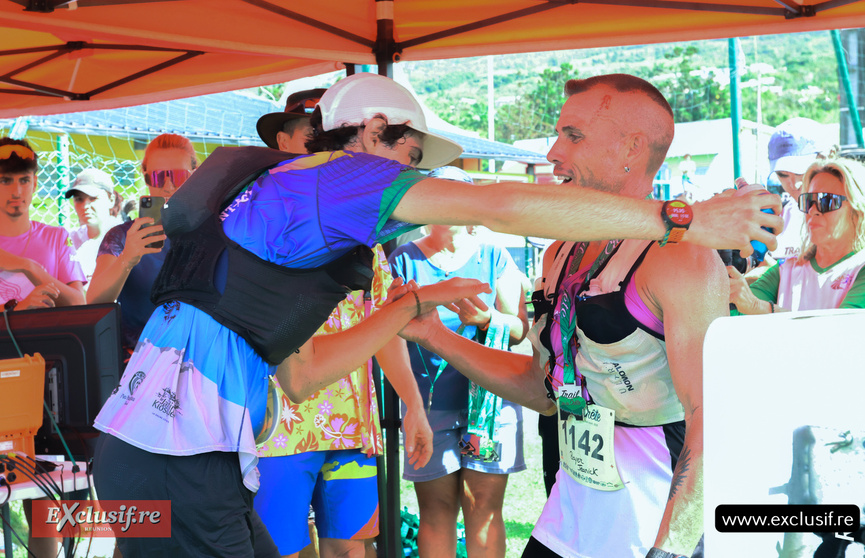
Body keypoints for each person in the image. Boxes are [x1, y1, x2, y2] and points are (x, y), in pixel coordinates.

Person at [90, 72, 780, 557]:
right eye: (410, 158)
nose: (413, 180)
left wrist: (416, 313)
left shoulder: (279, 204)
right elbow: (498, 205)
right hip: (180, 457)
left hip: (141, 453)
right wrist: (683, 217)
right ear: (371, 131)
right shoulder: (344, 180)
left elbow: (303, 376)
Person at [400, 74, 729, 558]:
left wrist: (671, 548)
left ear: (632, 148)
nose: (553, 153)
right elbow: (544, 390)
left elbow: (713, 421)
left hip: (651, 530)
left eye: (573, 136)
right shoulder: (560, 253)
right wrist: (433, 334)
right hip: (568, 519)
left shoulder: (681, 257)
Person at [253, 88, 433, 558]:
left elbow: (383, 325)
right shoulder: (266, 217)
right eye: (309, 134)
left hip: (353, 427)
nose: (319, 145)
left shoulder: (367, 234)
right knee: (281, 551)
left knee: (353, 550)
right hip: (279, 430)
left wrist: (413, 403)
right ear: (286, 142)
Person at [389, 166, 528, 558]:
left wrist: (487, 319)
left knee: (484, 509)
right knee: (436, 511)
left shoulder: (495, 256)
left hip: (490, 406)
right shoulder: (402, 260)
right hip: (428, 408)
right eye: (437, 195)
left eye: (455, 196)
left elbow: (519, 329)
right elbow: (388, 333)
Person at [0, 138, 86, 558]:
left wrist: (32, 269)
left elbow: (82, 307)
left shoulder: (53, 238)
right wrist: (15, 311)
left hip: (47, 398)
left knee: (45, 510)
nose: (16, 191)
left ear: (35, 184)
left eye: (24, 180)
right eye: (5, 181)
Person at [87, 133, 197, 359]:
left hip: (200, 360)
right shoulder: (123, 237)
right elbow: (95, 299)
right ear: (146, 179)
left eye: (178, 176)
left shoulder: (213, 231)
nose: (168, 187)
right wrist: (128, 259)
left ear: (194, 176)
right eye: (158, 177)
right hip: (141, 363)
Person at [730, 157, 865, 314]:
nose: (812, 210)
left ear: (857, 210)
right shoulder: (784, 271)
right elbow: (735, 313)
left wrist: (759, 307)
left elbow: (840, 327)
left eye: (826, 201)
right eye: (808, 201)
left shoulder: (860, 268)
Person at [65, 168, 124, 284]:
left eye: (93, 198)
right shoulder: (70, 240)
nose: (85, 206)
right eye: (79, 199)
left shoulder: (126, 237)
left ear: (111, 200)